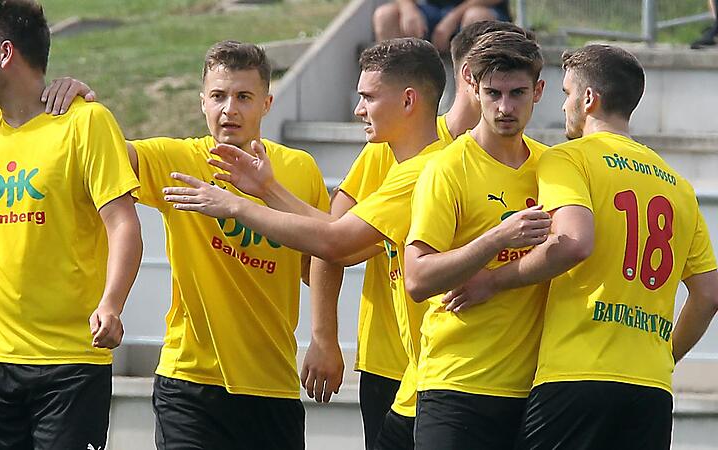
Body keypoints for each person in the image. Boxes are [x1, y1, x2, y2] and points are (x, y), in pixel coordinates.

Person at [163, 37, 446, 450]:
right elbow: (341, 237)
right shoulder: (406, 167)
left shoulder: (426, 171)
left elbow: (335, 241)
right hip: (418, 383)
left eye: (368, 97)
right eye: (219, 96)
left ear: (407, 101)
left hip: (446, 379)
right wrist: (266, 188)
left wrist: (237, 206)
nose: (358, 109)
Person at [450, 44, 718, 449]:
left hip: (577, 376)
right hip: (651, 389)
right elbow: (709, 293)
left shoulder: (570, 159)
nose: (563, 108)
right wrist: (666, 356)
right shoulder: (677, 185)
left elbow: (573, 243)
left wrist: (492, 282)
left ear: (588, 99)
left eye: (566, 94)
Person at [303, 20, 537, 450]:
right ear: (471, 76)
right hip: (391, 363)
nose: (505, 98)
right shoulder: (397, 144)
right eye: (492, 80)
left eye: (518, 87)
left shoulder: (522, 159)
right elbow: (333, 241)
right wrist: (323, 336)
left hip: (465, 372)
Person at [0, 1, 142, 448]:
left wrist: (112, 303)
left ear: (6, 53)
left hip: (70, 366)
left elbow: (123, 224)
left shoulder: (87, 123)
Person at [130, 41, 329, 450]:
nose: (229, 110)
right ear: (202, 102)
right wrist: (80, 105)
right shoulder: (177, 159)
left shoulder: (299, 168)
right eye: (218, 96)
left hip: (272, 384)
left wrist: (324, 338)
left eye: (243, 97)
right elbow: (101, 154)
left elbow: (324, 256)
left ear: (267, 103)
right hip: (190, 381)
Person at [403, 31, 549, 450]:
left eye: (518, 93)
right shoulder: (446, 169)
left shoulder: (551, 165)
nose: (505, 107)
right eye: (493, 93)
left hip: (532, 389)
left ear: (538, 91)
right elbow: (417, 278)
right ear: (472, 87)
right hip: (456, 383)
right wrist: (497, 238)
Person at [373, 0, 512, 52]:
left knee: (476, 17)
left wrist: (451, 19)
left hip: (479, 9)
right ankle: (395, 86)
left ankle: (475, 91)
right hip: (431, 10)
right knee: (385, 16)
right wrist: (408, 8)